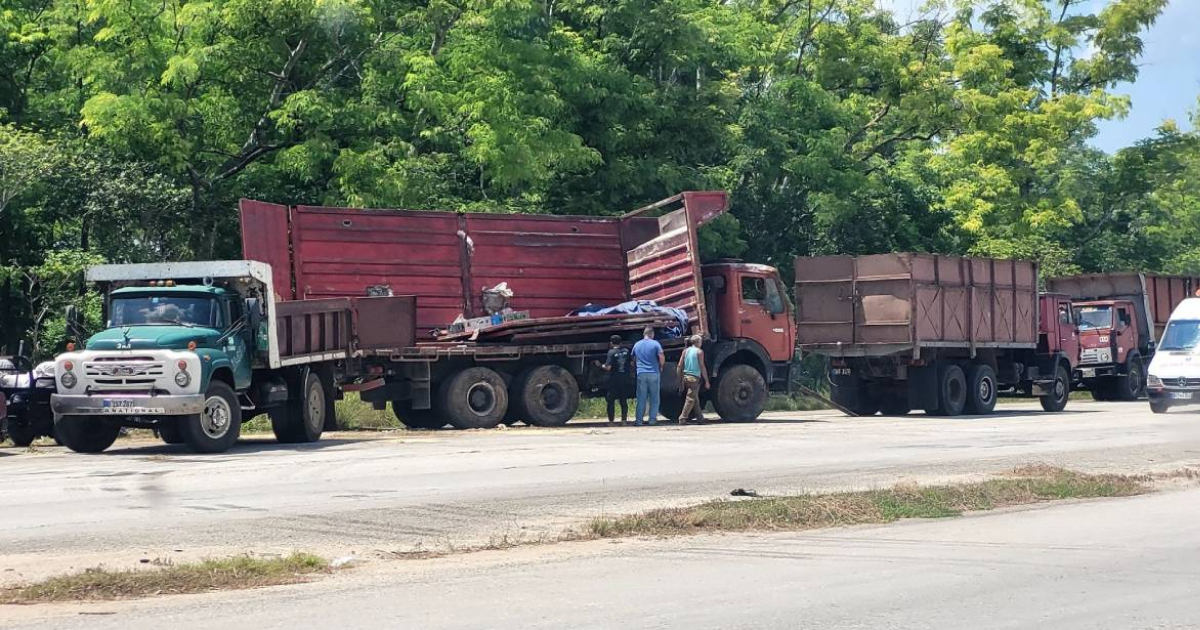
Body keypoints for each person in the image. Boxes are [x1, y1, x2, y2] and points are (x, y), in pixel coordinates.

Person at [595, 335, 633, 424]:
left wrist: (599, 365)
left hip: (614, 380)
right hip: (624, 379)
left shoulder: (611, 352)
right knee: (623, 400)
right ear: (621, 343)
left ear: (611, 343)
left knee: (610, 400)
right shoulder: (627, 351)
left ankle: (611, 421)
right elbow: (632, 363)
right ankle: (624, 421)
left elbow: (608, 367)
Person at [632, 326, 665, 426]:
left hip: (641, 373)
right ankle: (652, 420)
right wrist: (661, 366)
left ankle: (639, 421)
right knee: (654, 398)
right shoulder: (656, 344)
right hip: (654, 373)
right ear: (652, 334)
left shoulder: (637, 344)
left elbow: (633, 359)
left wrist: (637, 366)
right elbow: (661, 356)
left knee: (641, 398)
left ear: (644, 334)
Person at [675, 334, 710, 425]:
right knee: (690, 399)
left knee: (694, 398)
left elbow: (680, 365)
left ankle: (700, 418)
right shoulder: (699, 352)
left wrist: (680, 379)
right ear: (698, 342)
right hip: (694, 378)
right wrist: (706, 380)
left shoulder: (685, 351)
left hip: (686, 377)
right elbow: (702, 366)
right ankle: (682, 418)